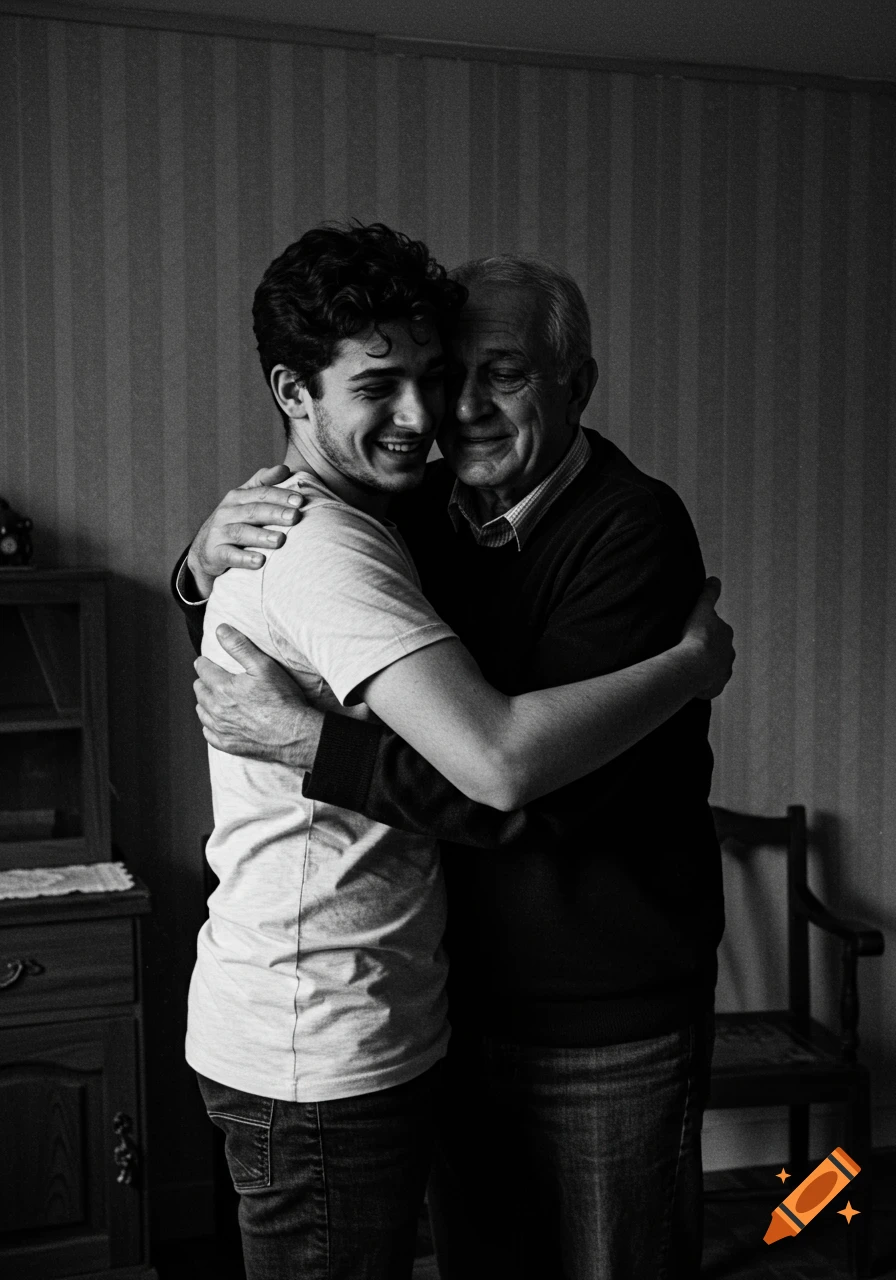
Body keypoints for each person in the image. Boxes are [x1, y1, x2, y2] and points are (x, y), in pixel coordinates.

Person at [176, 231, 734, 1280]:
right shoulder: (411, 512)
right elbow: (275, 655)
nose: (451, 409)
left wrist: (312, 747)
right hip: (448, 1002)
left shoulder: (632, 528)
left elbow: (526, 791)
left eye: (502, 374)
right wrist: (199, 569)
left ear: (577, 385)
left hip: (596, 1019)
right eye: (440, 374)